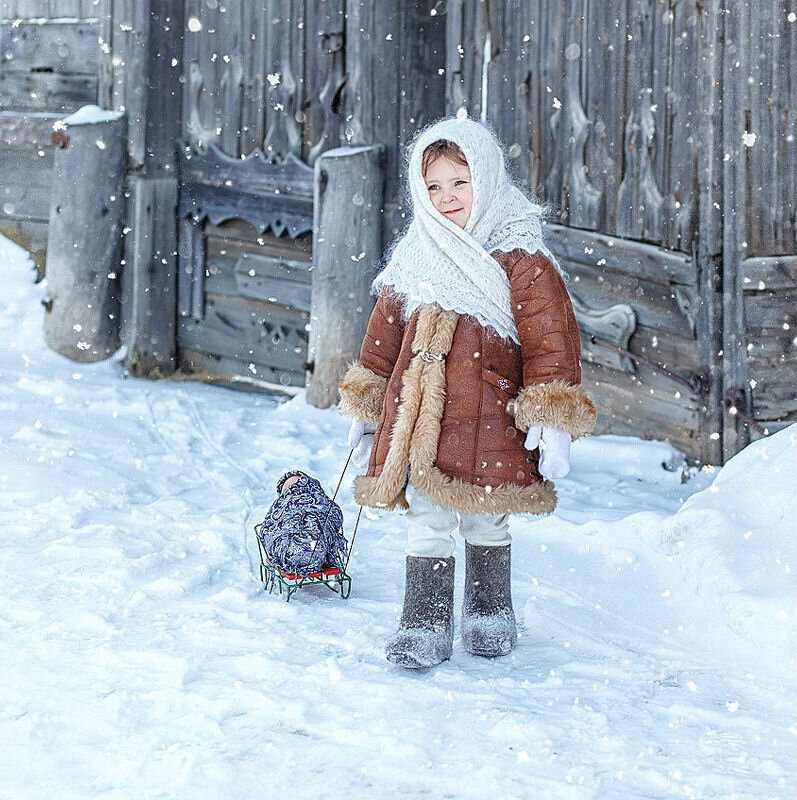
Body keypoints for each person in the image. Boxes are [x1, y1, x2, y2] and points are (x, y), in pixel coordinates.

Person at [337, 116, 597, 669]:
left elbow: (550, 340)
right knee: (427, 517)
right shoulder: (415, 255)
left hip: (492, 417)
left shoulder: (520, 258)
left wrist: (552, 417)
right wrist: (368, 407)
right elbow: (382, 342)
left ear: (488, 179)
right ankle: (423, 623)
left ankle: (489, 612)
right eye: (434, 186)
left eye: (461, 181)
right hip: (417, 420)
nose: (447, 197)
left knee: (485, 513)